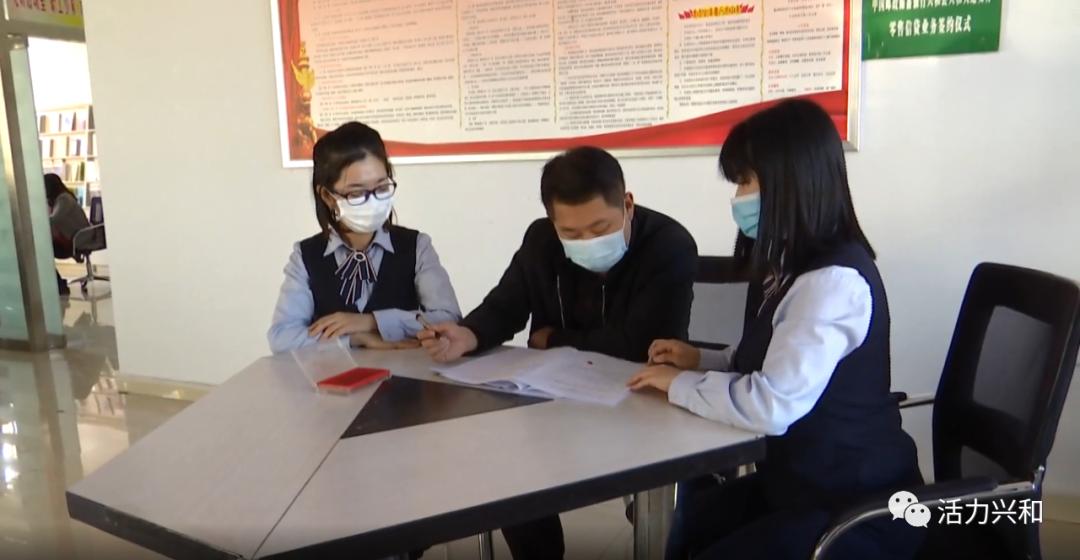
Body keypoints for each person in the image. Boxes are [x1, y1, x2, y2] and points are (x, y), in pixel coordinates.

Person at [626, 99, 922, 560]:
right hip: (796, 483)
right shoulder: (792, 267)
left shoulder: (831, 283)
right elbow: (769, 360)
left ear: (792, 181)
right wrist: (698, 360)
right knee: (686, 526)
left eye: (746, 180)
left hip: (852, 506)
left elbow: (772, 405)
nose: (738, 197)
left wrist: (678, 384)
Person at [419, 146, 698, 560]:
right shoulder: (541, 240)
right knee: (508, 462)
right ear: (553, 222)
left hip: (637, 401)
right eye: (572, 233)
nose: (588, 241)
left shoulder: (669, 245)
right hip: (553, 402)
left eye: (600, 227)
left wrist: (554, 339)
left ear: (627, 204)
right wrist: (468, 334)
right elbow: (506, 305)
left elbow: (643, 344)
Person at [268, 121, 461, 353]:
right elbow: (281, 337)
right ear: (328, 196)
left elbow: (450, 319)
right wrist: (355, 339)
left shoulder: (417, 246)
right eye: (357, 193)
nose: (373, 201)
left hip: (406, 372)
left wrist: (372, 322)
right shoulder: (306, 255)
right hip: (334, 375)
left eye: (381, 188)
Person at [45, 173, 90, 296]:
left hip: (78, 240)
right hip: (76, 237)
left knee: (42, 250)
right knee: (42, 248)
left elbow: (54, 219)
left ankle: (59, 284)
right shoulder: (61, 199)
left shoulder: (64, 199)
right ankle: (58, 283)